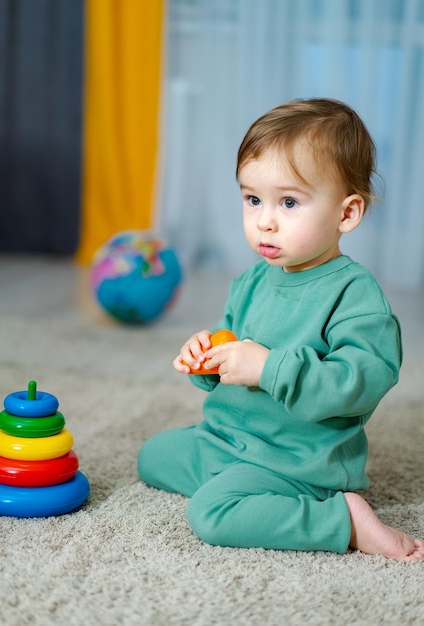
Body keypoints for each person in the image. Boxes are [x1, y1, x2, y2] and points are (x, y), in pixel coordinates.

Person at [138, 98, 424, 561]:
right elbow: (229, 346)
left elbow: (359, 385)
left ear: (346, 214)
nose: (264, 220)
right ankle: (243, 484)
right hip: (229, 439)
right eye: (253, 199)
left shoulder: (355, 296)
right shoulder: (252, 280)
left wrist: (270, 368)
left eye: (288, 202)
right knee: (152, 456)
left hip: (296, 459)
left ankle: (342, 518)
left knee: (211, 514)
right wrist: (205, 358)